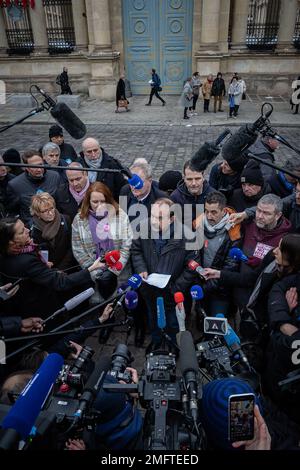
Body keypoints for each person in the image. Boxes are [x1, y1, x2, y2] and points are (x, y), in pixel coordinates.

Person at [131, 198, 200, 352]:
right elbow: (136, 251)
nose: (154, 221)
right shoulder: (143, 228)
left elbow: (192, 266)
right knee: (153, 316)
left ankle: (174, 344)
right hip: (149, 288)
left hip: (173, 290)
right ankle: (156, 340)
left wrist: (176, 287)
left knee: (173, 320)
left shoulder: (187, 235)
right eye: (153, 216)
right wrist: (141, 268)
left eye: (160, 218)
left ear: (172, 218)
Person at [0, 217, 103, 318]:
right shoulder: (26, 261)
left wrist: (45, 270)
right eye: (22, 232)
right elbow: (61, 282)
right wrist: (91, 268)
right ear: (11, 241)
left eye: (25, 227)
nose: (27, 230)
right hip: (39, 311)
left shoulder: (7, 253)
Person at [72, 181, 132, 304]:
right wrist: (95, 272)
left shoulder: (120, 216)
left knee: (120, 306)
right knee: (100, 311)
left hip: (120, 274)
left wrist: (113, 271)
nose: (99, 205)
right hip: (95, 278)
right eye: (95, 202)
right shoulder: (79, 219)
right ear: (88, 201)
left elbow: (126, 246)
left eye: (103, 201)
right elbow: (78, 250)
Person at [193, 191, 242, 316]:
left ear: (224, 210)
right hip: (201, 283)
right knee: (202, 321)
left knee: (217, 324)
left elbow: (231, 266)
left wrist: (207, 286)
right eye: (206, 211)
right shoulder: (198, 225)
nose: (209, 216)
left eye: (214, 212)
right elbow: (193, 255)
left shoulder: (234, 232)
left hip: (221, 290)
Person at [6, 150, 61, 226]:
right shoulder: (14, 185)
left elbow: (61, 202)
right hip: (32, 226)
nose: (39, 169)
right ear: (26, 168)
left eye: (41, 165)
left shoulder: (55, 176)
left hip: (55, 222)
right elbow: (13, 212)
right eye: (34, 167)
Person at [30, 192, 74, 271]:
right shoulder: (33, 229)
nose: (50, 213)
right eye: (45, 211)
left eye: (52, 208)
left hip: (68, 268)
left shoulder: (66, 219)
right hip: (47, 271)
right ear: (37, 213)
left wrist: (62, 268)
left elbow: (72, 246)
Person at [171, 159, 214, 226]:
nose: (193, 183)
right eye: (189, 179)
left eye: (197, 179)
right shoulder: (175, 198)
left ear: (203, 177)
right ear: (184, 178)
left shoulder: (213, 195)